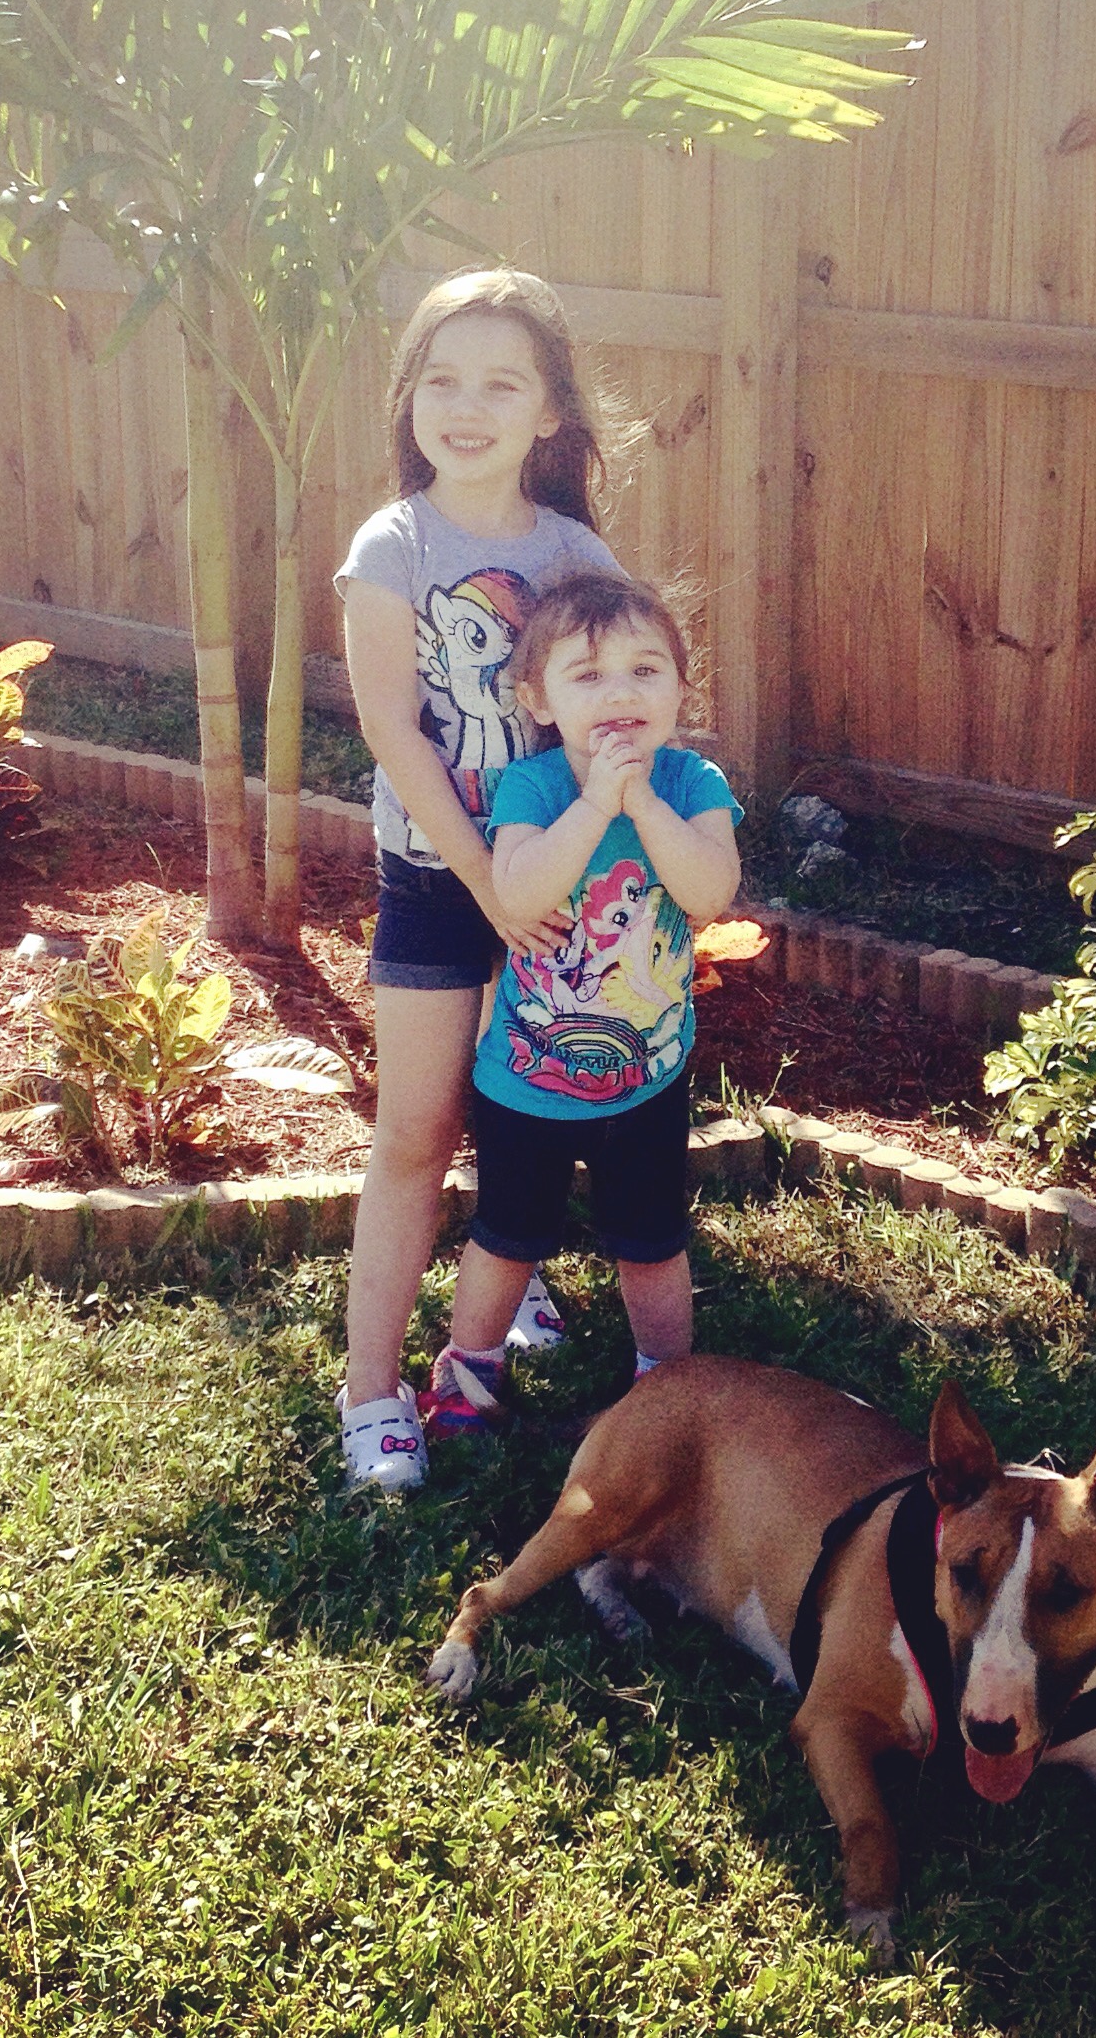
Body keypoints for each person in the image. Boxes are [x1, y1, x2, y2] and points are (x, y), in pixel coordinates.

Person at [334, 268, 626, 1491]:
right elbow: (394, 731)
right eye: (443, 380)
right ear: (409, 398)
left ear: (550, 412)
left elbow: (612, 710)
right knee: (416, 1130)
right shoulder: (392, 548)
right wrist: (490, 883)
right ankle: (371, 1394)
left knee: (528, 1113)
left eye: (502, 384)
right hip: (438, 882)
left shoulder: (574, 554)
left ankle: (509, 1281)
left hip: (551, 883)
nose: (467, 407)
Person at [420, 566, 742, 1439]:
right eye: (588, 675)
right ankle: (469, 1372)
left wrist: (643, 802)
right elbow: (520, 892)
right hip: (529, 1079)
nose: (621, 693)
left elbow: (709, 891)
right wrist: (599, 801)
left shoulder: (692, 784)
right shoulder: (532, 788)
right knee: (508, 1234)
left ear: (681, 688)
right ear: (538, 699)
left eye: (646, 670)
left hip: (648, 1082)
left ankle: (666, 1386)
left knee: (653, 1240)